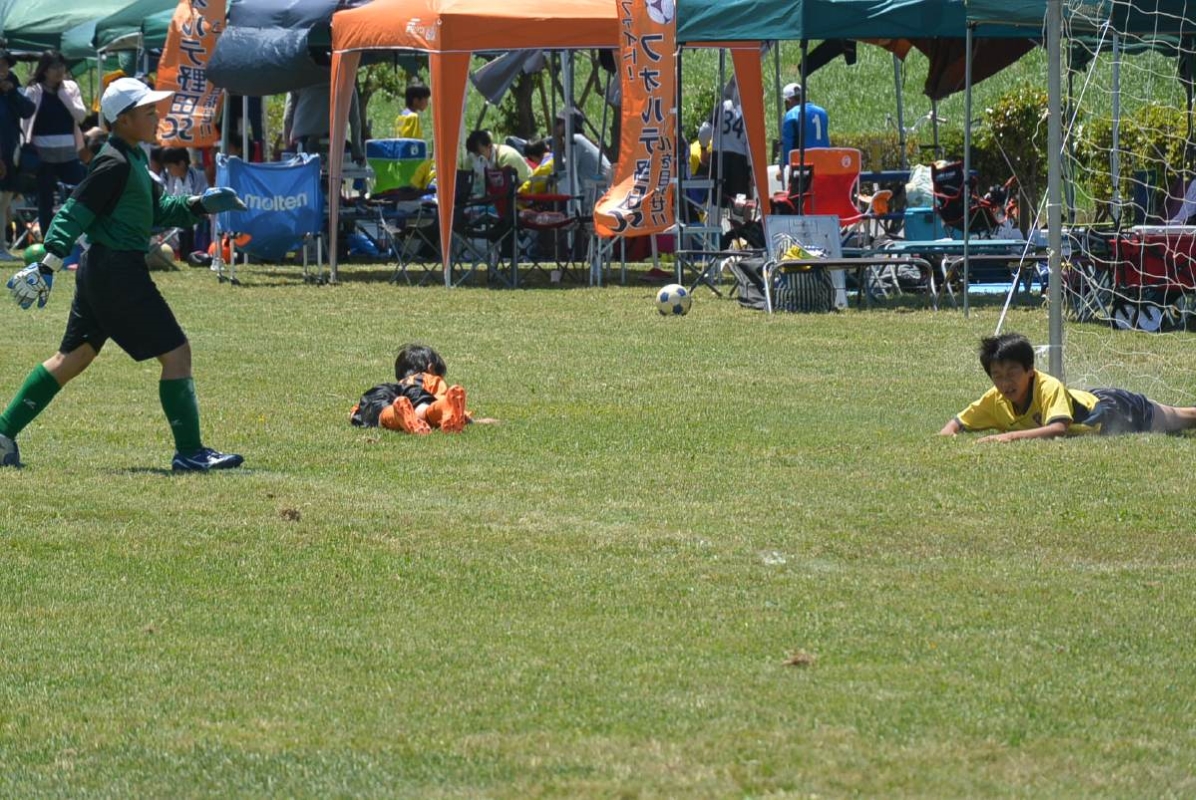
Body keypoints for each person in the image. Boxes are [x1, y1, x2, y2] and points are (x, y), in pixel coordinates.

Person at [1, 77, 250, 471]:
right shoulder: (113, 161)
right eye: (148, 112)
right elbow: (74, 211)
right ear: (123, 120)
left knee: (73, 357)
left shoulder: (133, 158)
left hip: (103, 269)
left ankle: (2, 434)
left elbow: (159, 209)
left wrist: (200, 203)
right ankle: (190, 453)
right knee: (177, 354)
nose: (156, 117)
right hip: (118, 272)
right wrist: (49, 261)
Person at [938, 332, 1196, 442]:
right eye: (997, 376)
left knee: (1182, 419)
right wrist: (947, 436)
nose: (1005, 383)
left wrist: (1006, 438)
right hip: (1091, 400)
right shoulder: (995, 399)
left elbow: (1058, 429)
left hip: (1115, 409)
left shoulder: (1047, 386)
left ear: (1030, 370)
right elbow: (957, 423)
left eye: (1012, 373)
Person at [349, 343, 497, 434]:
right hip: (415, 394)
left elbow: (359, 411)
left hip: (380, 392)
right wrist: (470, 419)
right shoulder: (428, 379)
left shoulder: (398, 384)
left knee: (381, 414)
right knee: (425, 407)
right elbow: (440, 399)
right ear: (431, 368)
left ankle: (396, 414)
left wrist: (356, 413)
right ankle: (417, 415)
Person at [22, 51, 88, 242]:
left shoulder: (70, 88)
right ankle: (49, 240)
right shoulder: (34, 90)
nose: (59, 70)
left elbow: (81, 116)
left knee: (77, 196)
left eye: (61, 66)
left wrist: (64, 97)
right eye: (53, 67)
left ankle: (77, 238)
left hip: (69, 154)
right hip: (42, 156)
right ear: (44, 70)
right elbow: (25, 122)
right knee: (45, 201)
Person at [0, 49, 35, 262]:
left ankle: (2, 247)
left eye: (4, 65)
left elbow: (28, 110)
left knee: (4, 202)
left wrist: (11, 92)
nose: (2, 69)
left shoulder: (11, 87)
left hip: (10, 153)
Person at [698, 80, 752, 203]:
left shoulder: (722, 106)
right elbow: (750, 145)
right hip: (740, 162)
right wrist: (750, 170)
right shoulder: (748, 110)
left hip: (720, 158)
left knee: (717, 200)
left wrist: (703, 149)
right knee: (740, 202)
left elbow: (705, 131)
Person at [160, 147, 211, 256]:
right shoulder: (178, 179)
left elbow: (201, 197)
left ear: (181, 164)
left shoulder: (197, 176)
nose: (168, 171)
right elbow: (176, 198)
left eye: (170, 167)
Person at [552, 110, 612, 191]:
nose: (555, 127)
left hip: (600, 188)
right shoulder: (578, 139)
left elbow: (568, 172)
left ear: (570, 124)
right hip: (596, 185)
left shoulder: (575, 140)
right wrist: (558, 148)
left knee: (562, 183)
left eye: (559, 123)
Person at [779, 82, 830, 169]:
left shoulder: (791, 115)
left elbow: (787, 144)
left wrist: (782, 167)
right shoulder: (822, 112)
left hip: (804, 165)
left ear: (788, 102)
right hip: (824, 161)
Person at [464, 129, 531, 189]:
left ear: (489, 146)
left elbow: (508, 187)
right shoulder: (470, 159)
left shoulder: (507, 156)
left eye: (480, 153)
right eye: (474, 153)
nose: (476, 157)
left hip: (525, 188)